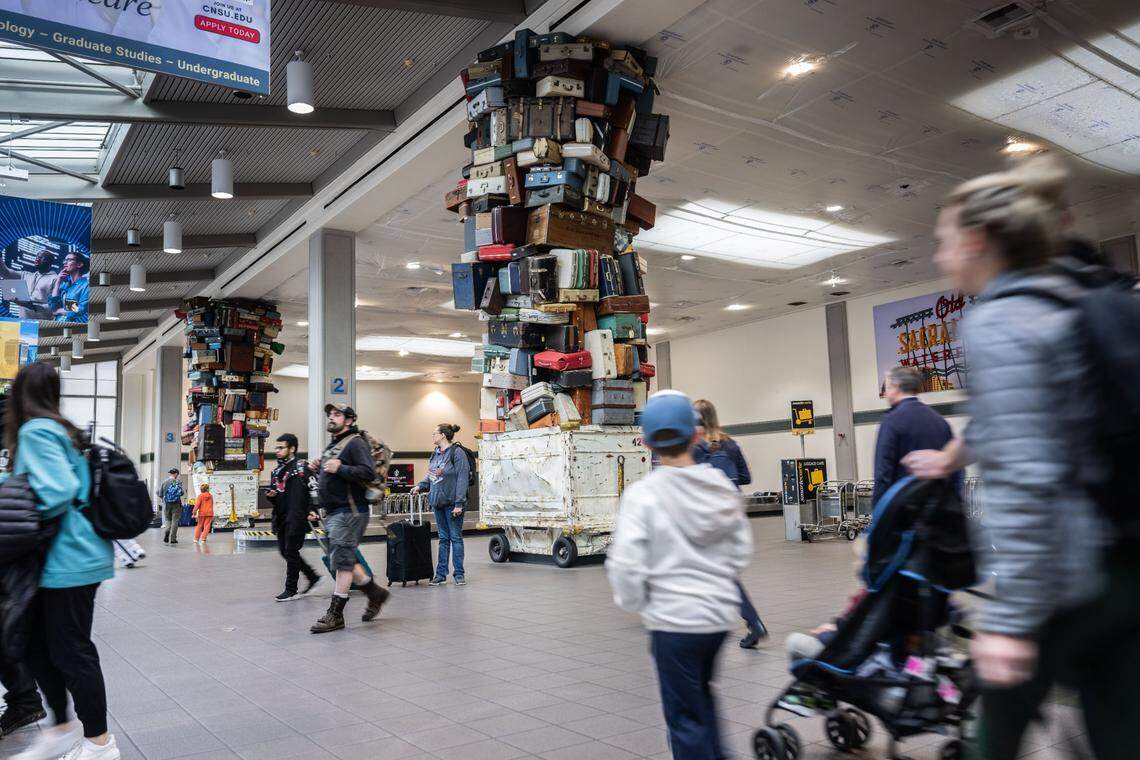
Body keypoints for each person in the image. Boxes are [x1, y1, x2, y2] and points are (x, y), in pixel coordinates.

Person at [904, 157, 1139, 760]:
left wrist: (1010, 619)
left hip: (1065, 575)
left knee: (996, 737)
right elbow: (1019, 421)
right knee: (1119, 733)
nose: (938, 256)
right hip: (1123, 559)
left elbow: (1029, 478)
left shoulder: (999, 320)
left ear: (978, 240)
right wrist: (949, 459)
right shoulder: (1071, 294)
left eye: (943, 241)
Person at [607, 391, 752, 760]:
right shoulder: (720, 486)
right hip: (717, 621)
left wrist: (636, 602)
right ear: (696, 436)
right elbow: (740, 551)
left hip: (673, 624)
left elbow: (625, 564)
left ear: (646, 442)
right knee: (702, 698)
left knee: (685, 720)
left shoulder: (643, 495)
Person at [6, 362, 118, 760]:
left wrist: (16, 513)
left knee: (71, 651)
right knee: (37, 645)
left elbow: (58, 489)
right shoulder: (63, 430)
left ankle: (100, 744)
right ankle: (61, 728)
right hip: (71, 556)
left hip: (68, 559)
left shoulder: (36, 431)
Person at [692, 399, 768, 650]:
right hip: (732, 513)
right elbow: (746, 477)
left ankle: (752, 622)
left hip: (707, 515)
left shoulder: (696, 447)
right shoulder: (731, 443)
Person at [306, 404, 389, 634]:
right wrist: (318, 468)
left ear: (350, 420)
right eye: (330, 415)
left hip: (349, 511)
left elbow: (367, 472)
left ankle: (336, 614)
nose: (331, 418)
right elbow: (334, 476)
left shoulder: (355, 442)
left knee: (342, 560)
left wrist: (340, 467)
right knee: (344, 558)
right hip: (335, 512)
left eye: (337, 415)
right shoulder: (335, 444)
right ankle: (375, 592)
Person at [871, 365, 957, 507]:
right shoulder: (939, 420)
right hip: (940, 510)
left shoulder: (891, 421)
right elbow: (955, 468)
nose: (885, 393)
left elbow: (883, 475)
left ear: (896, 386)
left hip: (905, 512)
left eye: (887, 386)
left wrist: (878, 512)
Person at [412, 423, 470, 587]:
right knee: (443, 539)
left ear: (443, 435)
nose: (432, 436)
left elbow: (462, 478)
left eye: (434, 433)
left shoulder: (457, 453)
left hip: (453, 504)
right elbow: (431, 475)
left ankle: (459, 574)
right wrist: (420, 486)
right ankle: (440, 575)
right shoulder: (435, 454)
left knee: (455, 538)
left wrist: (459, 503)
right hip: (437, 502)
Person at [268, 433, 320, 602]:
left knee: (291, 551)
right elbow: (277, 494)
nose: (277, 451)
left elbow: (314, 489)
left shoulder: (302, 467)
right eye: (276, 447)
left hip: (297, 517)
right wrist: (271, 496)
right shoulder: (277, 471)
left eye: (281, 447)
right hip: (281, 518)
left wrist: (313, 509)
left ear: (292, 449)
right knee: (285, 551)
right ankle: (313, 576)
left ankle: (291, 590)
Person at [0, 250, 60, 320]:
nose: (37, 259)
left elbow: (55, 307)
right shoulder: (26, 275)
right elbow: (5, 273)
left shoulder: (56, 279)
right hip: (23, 321)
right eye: (37, 257)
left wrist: (31, 306)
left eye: (41, 257)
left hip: (42, 323)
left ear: (49, 262)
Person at [48, 252, 89, 323]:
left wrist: (59, 310)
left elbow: (81, 309)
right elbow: (53, 305)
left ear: (79, 264)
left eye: (69, 260)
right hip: (57, 323)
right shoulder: (64, 284)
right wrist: (58, 282)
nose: (64, 262)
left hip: (76, 325)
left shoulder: (86, 285)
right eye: (65, 260)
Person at [157, 468, 184, 545]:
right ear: (176, 474)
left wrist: (164, 498)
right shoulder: (178, 482)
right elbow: (182, 493)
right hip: (177, 504)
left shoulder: (164, 482)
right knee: (175, 521)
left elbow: (160, 493)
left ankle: (167, 532)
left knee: (168, 519)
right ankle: (173, 539)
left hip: (167, 504)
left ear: (170, 473)